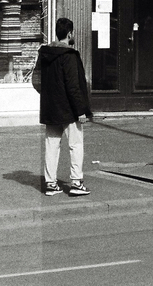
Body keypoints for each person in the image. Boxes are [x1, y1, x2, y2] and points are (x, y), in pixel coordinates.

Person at [38, 17, 92, 197]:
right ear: (70, 34)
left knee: (51, 145)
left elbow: (36, 80)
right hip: (68, 108)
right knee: (75, 144)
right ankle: (76, 182)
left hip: (50, 107)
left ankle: (50, 183)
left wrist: (48, 95)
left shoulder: (44, 54)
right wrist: (81, 110)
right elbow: (73, 86)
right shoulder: (69, 56)